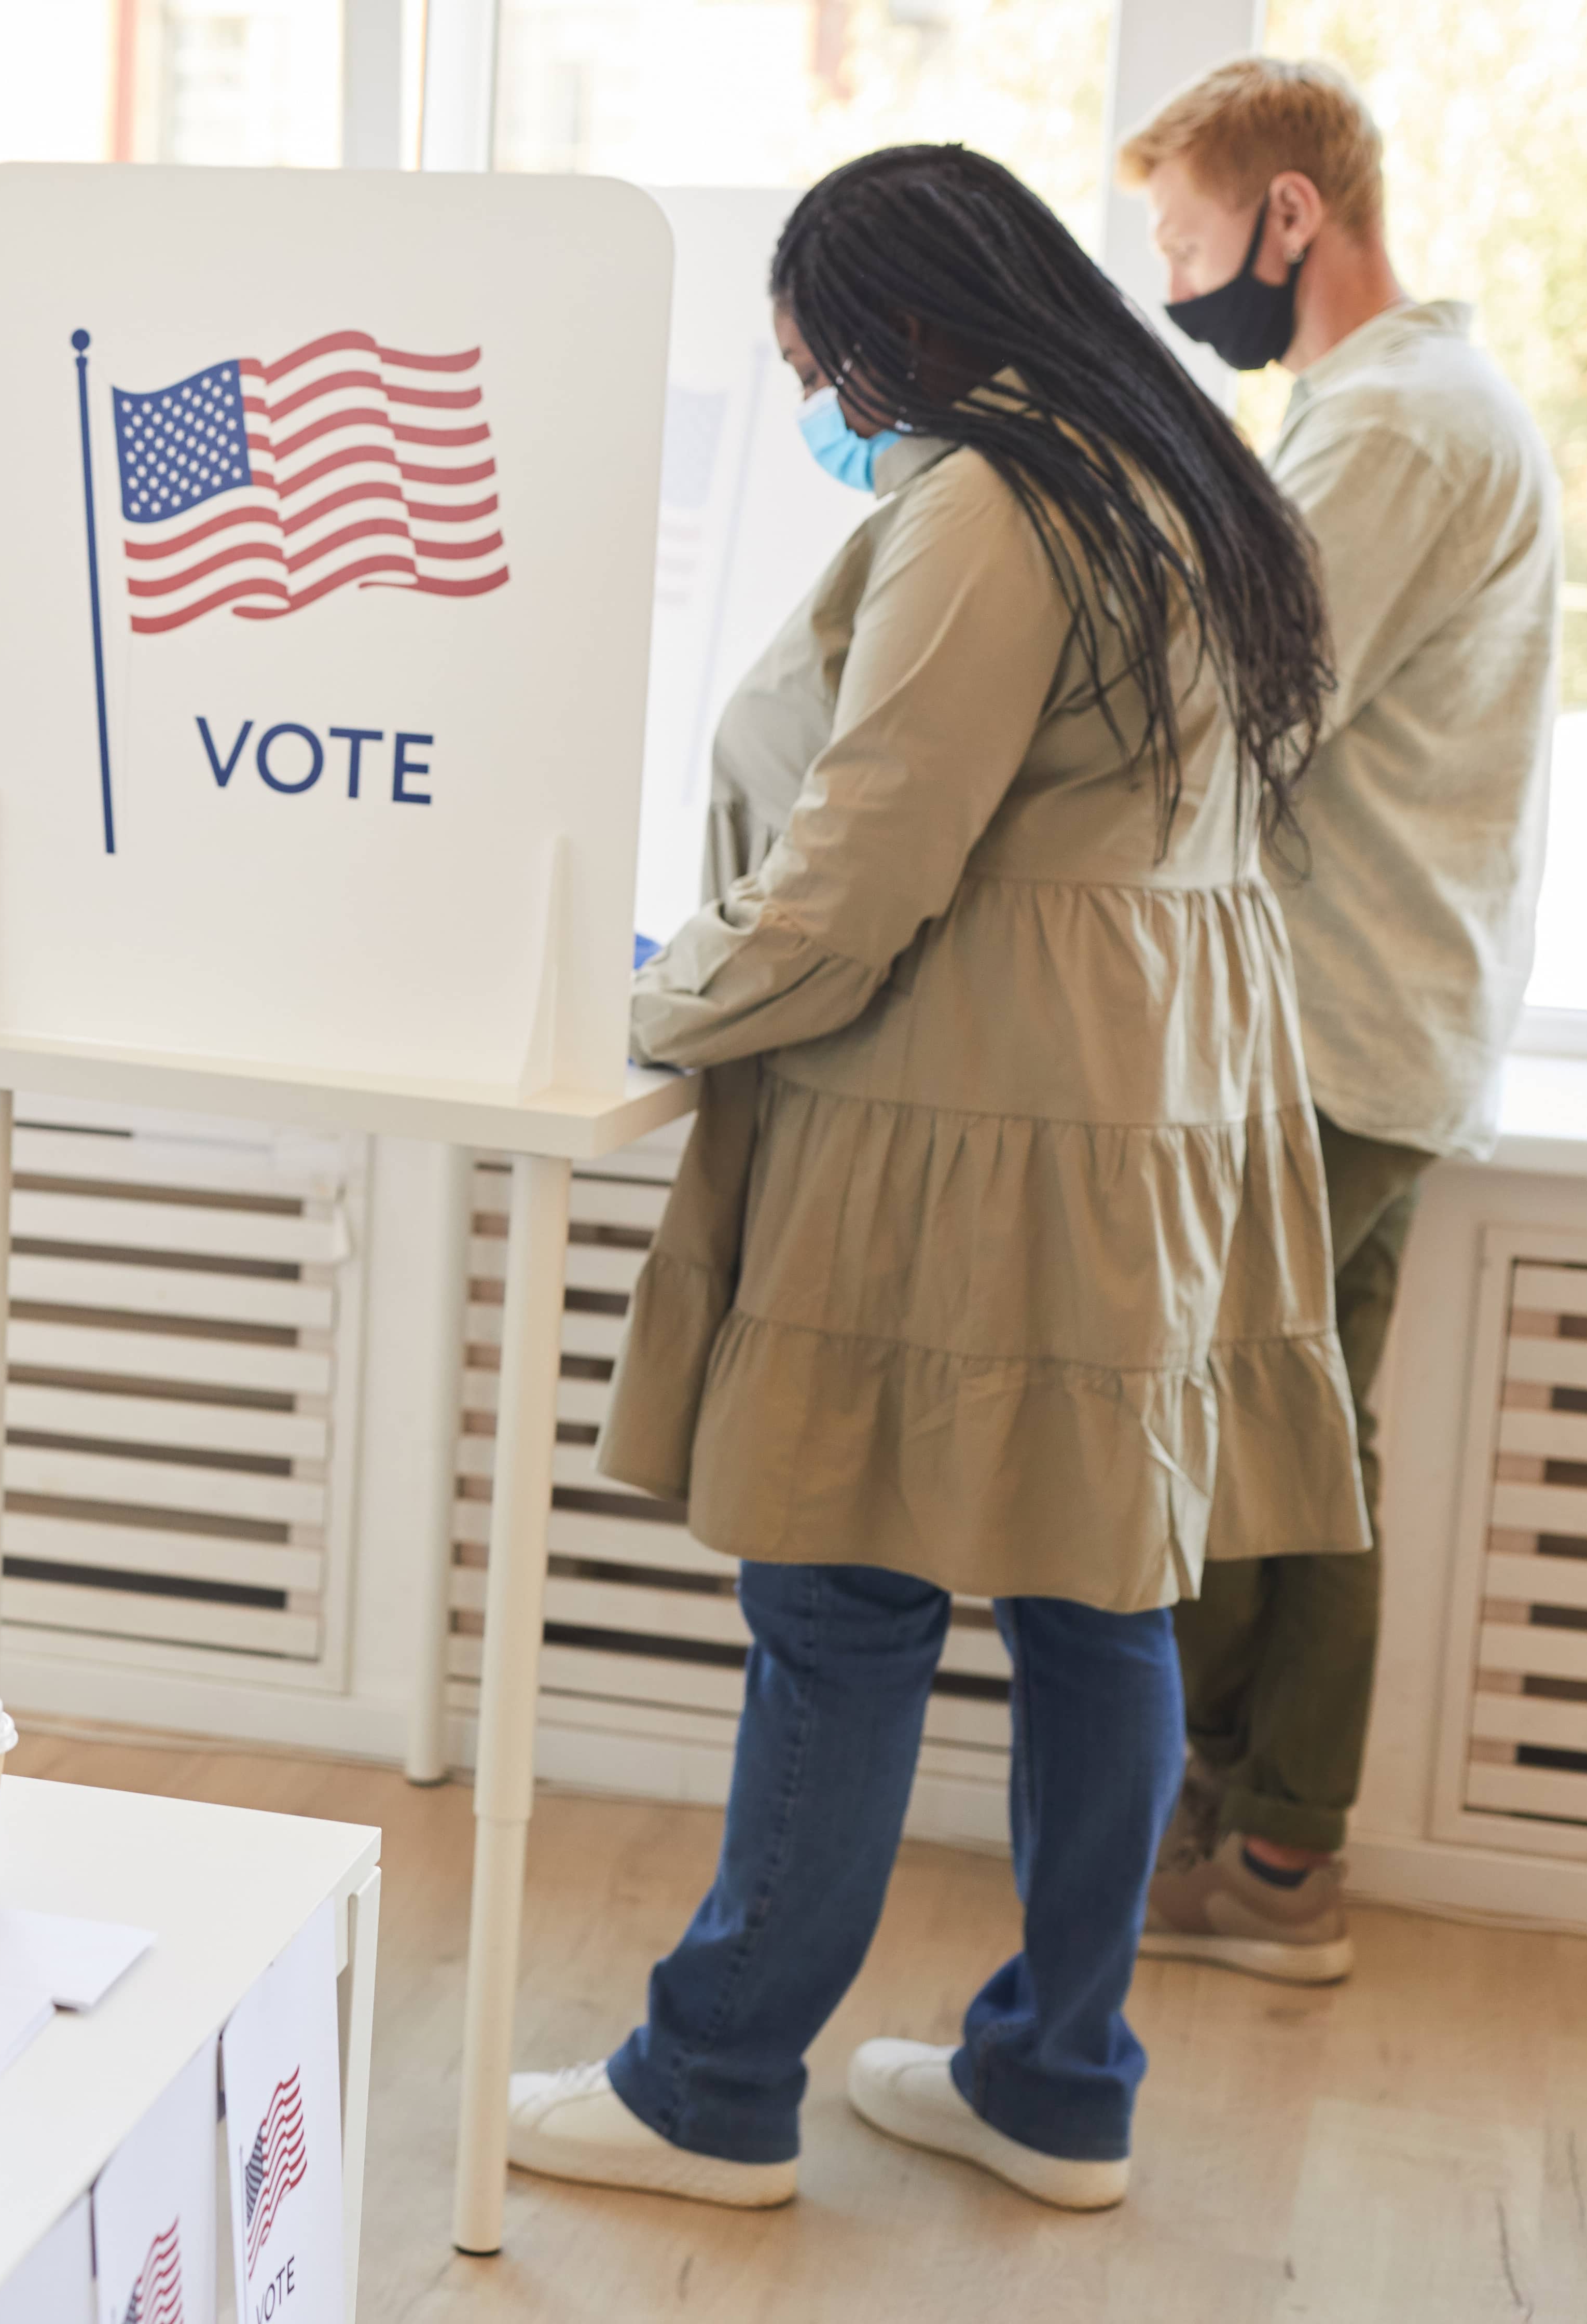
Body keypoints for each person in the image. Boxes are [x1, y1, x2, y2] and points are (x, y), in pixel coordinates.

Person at [506, 145, 1359, 2214]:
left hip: (972, 1110)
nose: (821, 406)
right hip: (1149, 1100)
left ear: (900, 331)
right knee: (1099, 1599)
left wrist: (653, 1006)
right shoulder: (1169, 471)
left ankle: (715, 2086)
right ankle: (1061, 2083)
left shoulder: (991, 499)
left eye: (819, 364)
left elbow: (864, 862)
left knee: (838, 1590)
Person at [1122, 57, 1563, 1983]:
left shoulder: (1389, 428)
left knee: (1218, 1434)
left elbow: (1244, 706)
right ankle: (1269, 1847)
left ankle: (1262, 1838)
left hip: (1335, 1030)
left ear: (1290, 217)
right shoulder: (1408, 411)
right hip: (1383, 1012)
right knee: (1304, 1442)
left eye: (1188, 242)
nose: (1175, 285)